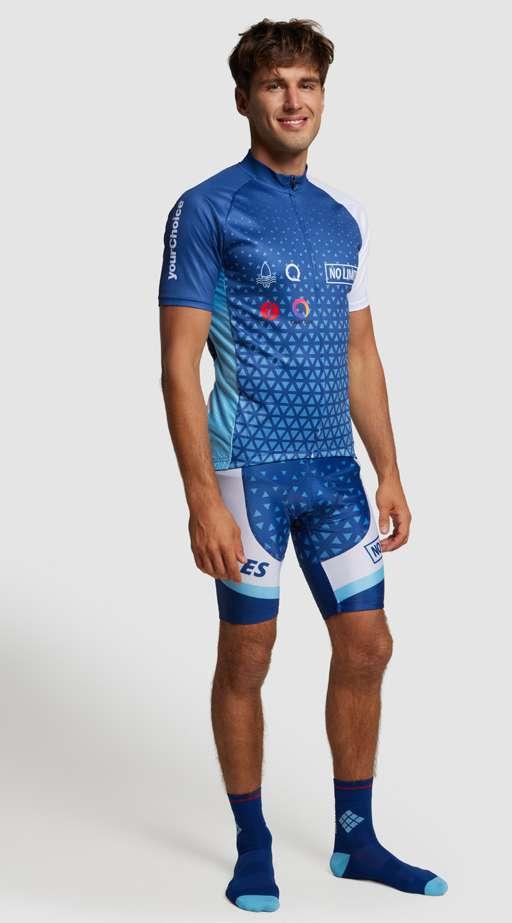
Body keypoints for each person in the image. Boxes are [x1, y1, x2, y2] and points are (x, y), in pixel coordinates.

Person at [157, 17, 447, 913]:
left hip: (333, 475)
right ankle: (252, 843)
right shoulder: (207, 208)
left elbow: (361, 352)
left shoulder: (342, 217)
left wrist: (389, 469)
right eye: (275, 85)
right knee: (249, 654)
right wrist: (201, 499)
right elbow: (178, 364)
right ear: (244, 98)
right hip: (247, 473)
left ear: (323, 97)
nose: (293, 101)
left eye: (307, 85)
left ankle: (355, 840)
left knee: (369, 644)